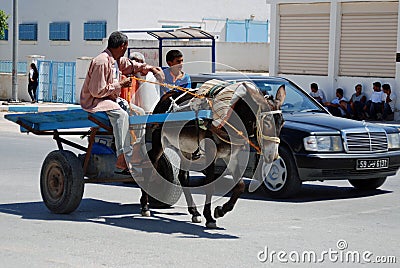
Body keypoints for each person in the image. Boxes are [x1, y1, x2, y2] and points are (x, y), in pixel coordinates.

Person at [80, 31, 164, 175]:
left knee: (140, 113)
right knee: (121, 116)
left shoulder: (117, 60)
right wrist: (120, 84)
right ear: (123, 46)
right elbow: (96, 91)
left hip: (110, 99)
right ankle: (122, 155)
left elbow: (132, 66)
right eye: (126, 47)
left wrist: (150, 68)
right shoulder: (101, 62)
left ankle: (136, 150)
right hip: (96, 101)